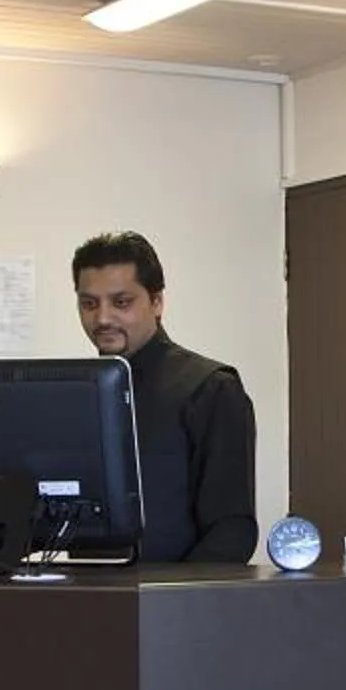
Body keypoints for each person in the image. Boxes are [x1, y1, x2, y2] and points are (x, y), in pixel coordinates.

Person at [72, 231, 258, 563]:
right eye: (89, 304)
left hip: (169, 603)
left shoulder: (211, 387)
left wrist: (177, 606)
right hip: (84, 598)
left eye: (121, 302)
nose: (102, 318)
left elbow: (231, 530)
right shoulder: (74, 393)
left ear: (156, 302)